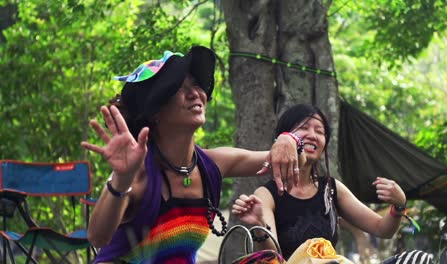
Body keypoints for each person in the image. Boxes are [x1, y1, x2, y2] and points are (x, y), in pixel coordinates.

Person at [80, 45, 302, 264]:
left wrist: (289, 140)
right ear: (156, 110)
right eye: (178, 87)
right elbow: (97, 237)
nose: (195, 93)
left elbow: (296, 160)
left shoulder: (212, 164)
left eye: (196, 85)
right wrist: (121, 179)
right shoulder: (137, 172)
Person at [232, 104, 407, 260]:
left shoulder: (332, 188)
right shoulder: (266, 195)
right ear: (283, 140)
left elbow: (382, 229)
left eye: (320, 131)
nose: (312, 135)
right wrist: (259, 225)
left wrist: (399, 205)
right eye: (304, 127)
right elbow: (273, 260)